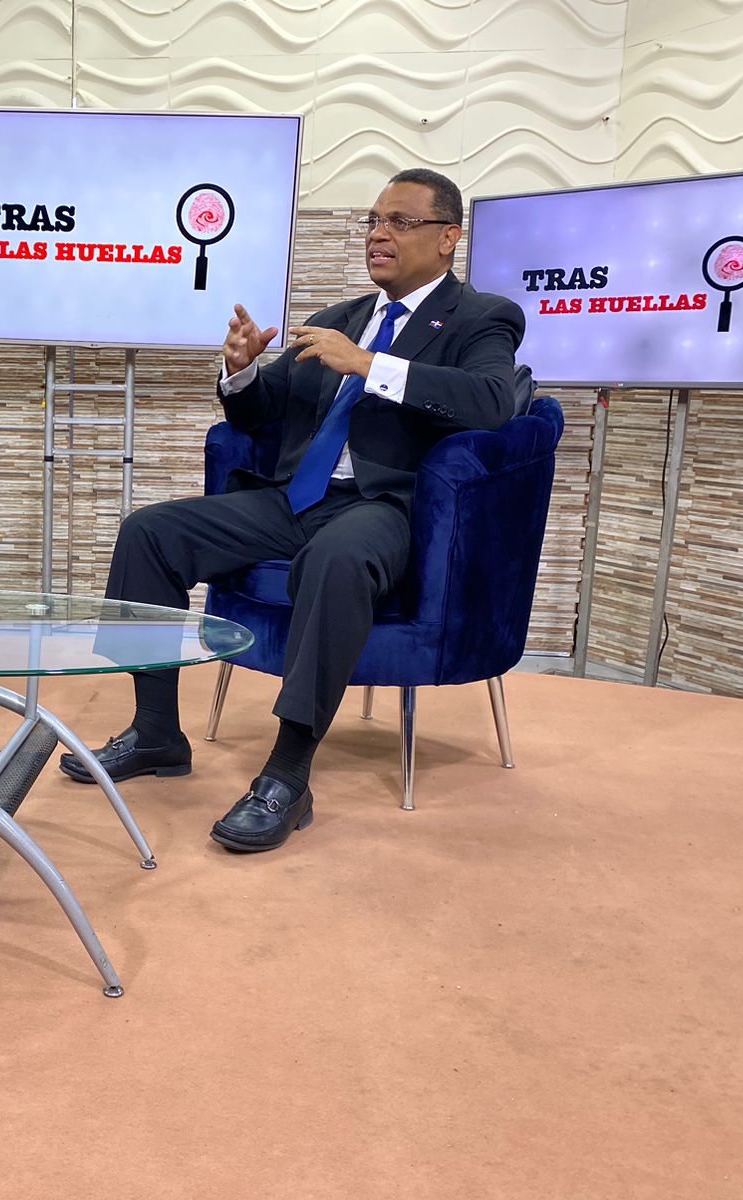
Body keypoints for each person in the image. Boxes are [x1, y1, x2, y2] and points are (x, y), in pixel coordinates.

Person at [59, 168, 526, 852]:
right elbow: (262, 413)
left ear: (448, 237)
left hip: (386, 506)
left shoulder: (482, 317)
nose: (379, 234)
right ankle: (156, 729)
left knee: (336, 560)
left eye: (399, 221)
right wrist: (241, 370)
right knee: (150, 533)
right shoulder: (340, 318)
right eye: (373, 220)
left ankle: (287, 773)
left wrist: (368, 365)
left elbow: (492, 402)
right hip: (294, 497)